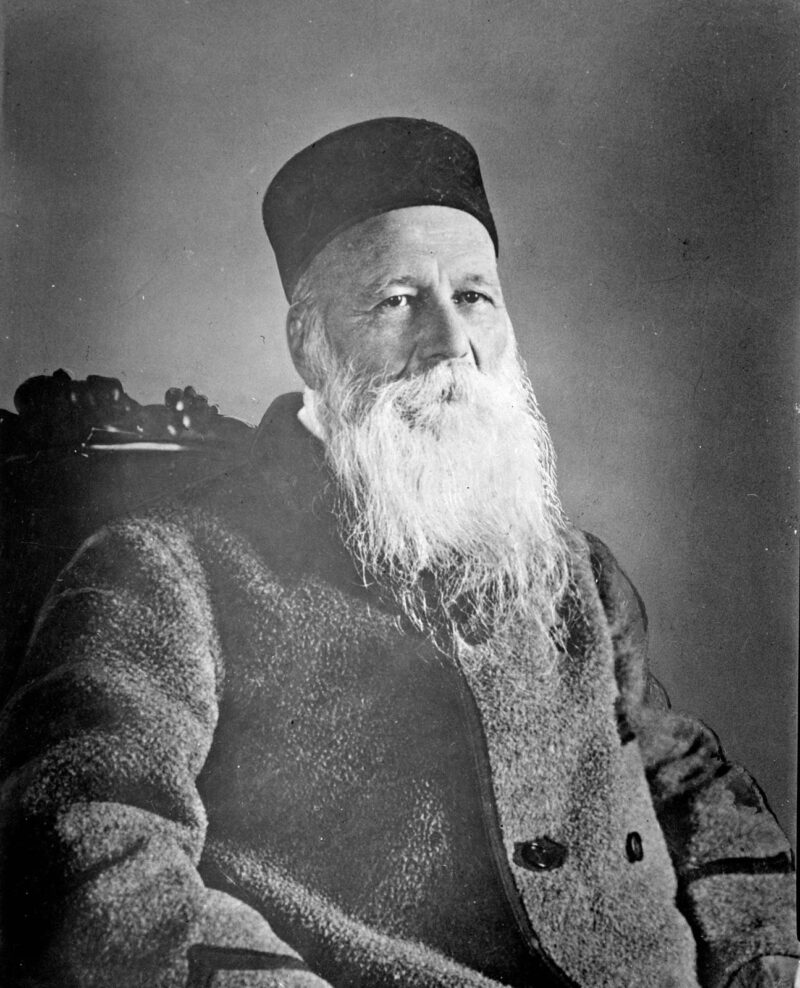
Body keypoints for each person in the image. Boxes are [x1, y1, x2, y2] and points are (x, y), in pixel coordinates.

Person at [0, 118, 796, 988]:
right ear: (308, 342)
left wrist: (766, 960)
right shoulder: (166, 571)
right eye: (398, 301)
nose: (451, 343)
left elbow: (680, 774)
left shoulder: (574, 571)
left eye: (475, 296)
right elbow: (93, 840)